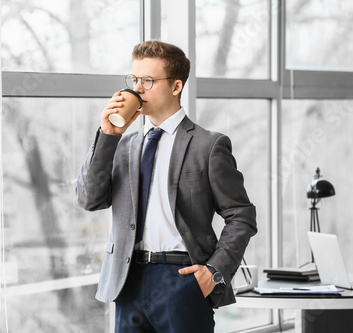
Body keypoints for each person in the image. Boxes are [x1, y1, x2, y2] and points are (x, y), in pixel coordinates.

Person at [76, 40, 257, 333]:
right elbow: (88, 199)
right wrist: (108, 134)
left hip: (182, 278)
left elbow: (242, 216)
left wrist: (214, 272)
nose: (138, 89)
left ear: (176, 86)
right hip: (127, 279)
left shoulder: (208, 145)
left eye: (148, 80)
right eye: (134, 80)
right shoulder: (122, 146)